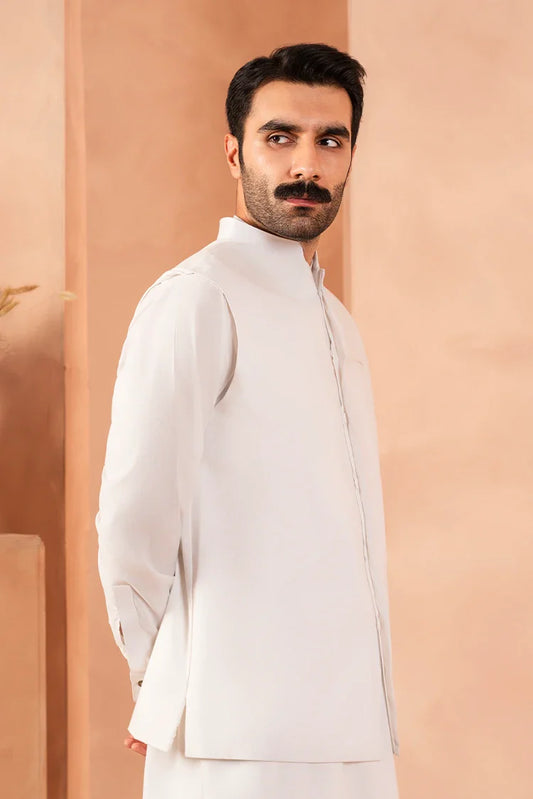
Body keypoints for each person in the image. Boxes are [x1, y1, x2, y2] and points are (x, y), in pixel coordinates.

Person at [96, 42, 400, 799]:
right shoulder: (197, 297)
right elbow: (135, 514)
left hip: (355, 731)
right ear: (234, 153)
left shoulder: (334, 320)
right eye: (279, 136)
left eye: (330, 140)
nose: (306, 164)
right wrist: (158, 676)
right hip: (231, 734)